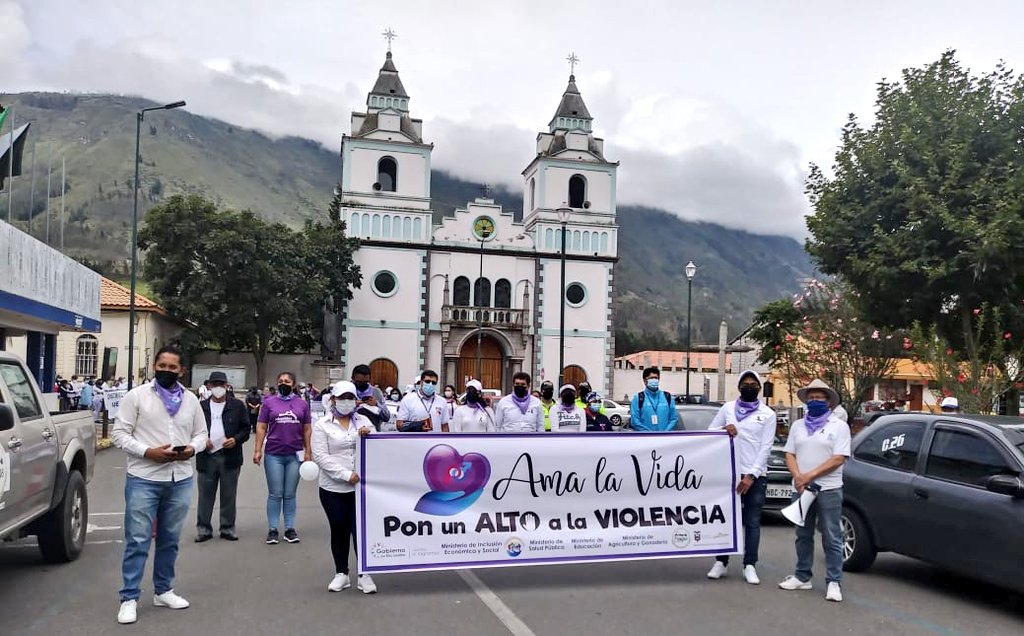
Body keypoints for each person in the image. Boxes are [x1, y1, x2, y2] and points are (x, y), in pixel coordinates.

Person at [111, 345, 208, 625]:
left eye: (172, 367)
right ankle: (129, 597)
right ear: (155, 366)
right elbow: (119, 434)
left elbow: (201, 433)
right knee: (138, 540)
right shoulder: (137, 396)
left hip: (180, 478)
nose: (166, 370)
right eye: (162, 366)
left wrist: (192, 448)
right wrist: (147, 452)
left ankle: (163, 591)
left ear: (182, 370)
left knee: (170, 539)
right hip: (144, 477)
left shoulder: (190, 400)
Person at [778, 379, 851, 603]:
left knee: (832, 536)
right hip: (801, 488)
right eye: (811, 398)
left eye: (819, 397)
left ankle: (834, 581)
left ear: (828, 402)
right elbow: (789, 453)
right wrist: (798, 476)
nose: (814, 401)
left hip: (828, 489)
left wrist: (809, 475)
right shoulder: (798, 426)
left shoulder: (839, 426)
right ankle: (802, 576)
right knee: (802, 534)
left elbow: (839, 458)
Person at [706, 370, 777, 585]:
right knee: (726, 519)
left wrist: (751, 476)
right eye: (745, 383)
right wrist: (723, 428)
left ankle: (750, 564)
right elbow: (710, 431)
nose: (749, 387)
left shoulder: (768, 414)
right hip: (729, 473)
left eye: (753, 384)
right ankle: (721, 561)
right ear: (738, 387)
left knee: (752, 522)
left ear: (759, 388)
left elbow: (765, 447)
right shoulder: (727, 408)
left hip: (754, 476)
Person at [312, 381, 377, 595]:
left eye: (350, 398)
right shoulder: (322, 425)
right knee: (339, 527)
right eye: (342, 398)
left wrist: (369, 435)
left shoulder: (364, 421)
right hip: (333, 487)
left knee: (360, 530)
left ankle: (364, 574)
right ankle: (341, 572)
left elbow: (379, 446)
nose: (347, 402)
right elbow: (320, 456)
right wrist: (345, 475)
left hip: (361, 488)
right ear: (333, 399)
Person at [253, 371, 312, 545]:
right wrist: (257, 450)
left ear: (293, 384)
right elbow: (261, 427)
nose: (283, 383)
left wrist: (308, 451)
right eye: (280, 381)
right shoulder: (269, 402)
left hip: (295, 454)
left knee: (290, 494)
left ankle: (289, 529)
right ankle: (273, 529)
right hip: (274, 454)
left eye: (287, 381)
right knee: (275, 493)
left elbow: (307, 429)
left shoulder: (302, 404)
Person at [195, 371, 250, 543]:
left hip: (230, 456)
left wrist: (235, 440)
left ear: (227, 386)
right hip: (207, 456)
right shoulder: (201, 406)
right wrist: (202, 441)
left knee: (228, 495)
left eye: (221, 384)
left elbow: (246, 429)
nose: (218, 388)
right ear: (209, 386)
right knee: (205, 495)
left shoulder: (237, 406)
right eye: (215, 384)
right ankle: (203, 529)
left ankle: (227, 527)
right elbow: (191, 429)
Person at [629, 366, 678, 431]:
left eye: (656, 378)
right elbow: (635, 421)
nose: (654, 380)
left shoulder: (667, 397)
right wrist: (650, 434)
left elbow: (674, 418)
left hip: (665, 436)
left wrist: (665, 433)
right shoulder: (638, 398)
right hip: (645, 436)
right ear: (645, 381)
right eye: (651, 378)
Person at [351, 364, 392, 431]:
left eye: (365, 382)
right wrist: (352, 405)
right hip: (352, 432)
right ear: (353, 378)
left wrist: (377, 404)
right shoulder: (347, 392)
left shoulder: (376, 392)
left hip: (372, 432)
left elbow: (387, 417)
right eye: (359, 382)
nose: (362, 384)